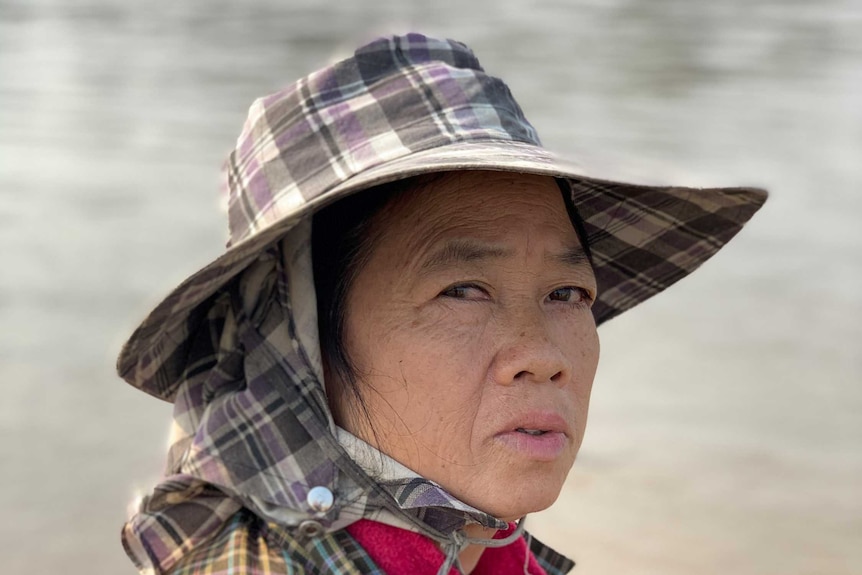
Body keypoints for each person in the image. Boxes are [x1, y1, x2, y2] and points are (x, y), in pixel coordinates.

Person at [118, 33, 766, 575]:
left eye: (567, 293)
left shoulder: (483, 547)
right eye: (463, 291)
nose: (543, 357)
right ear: (301, 347)